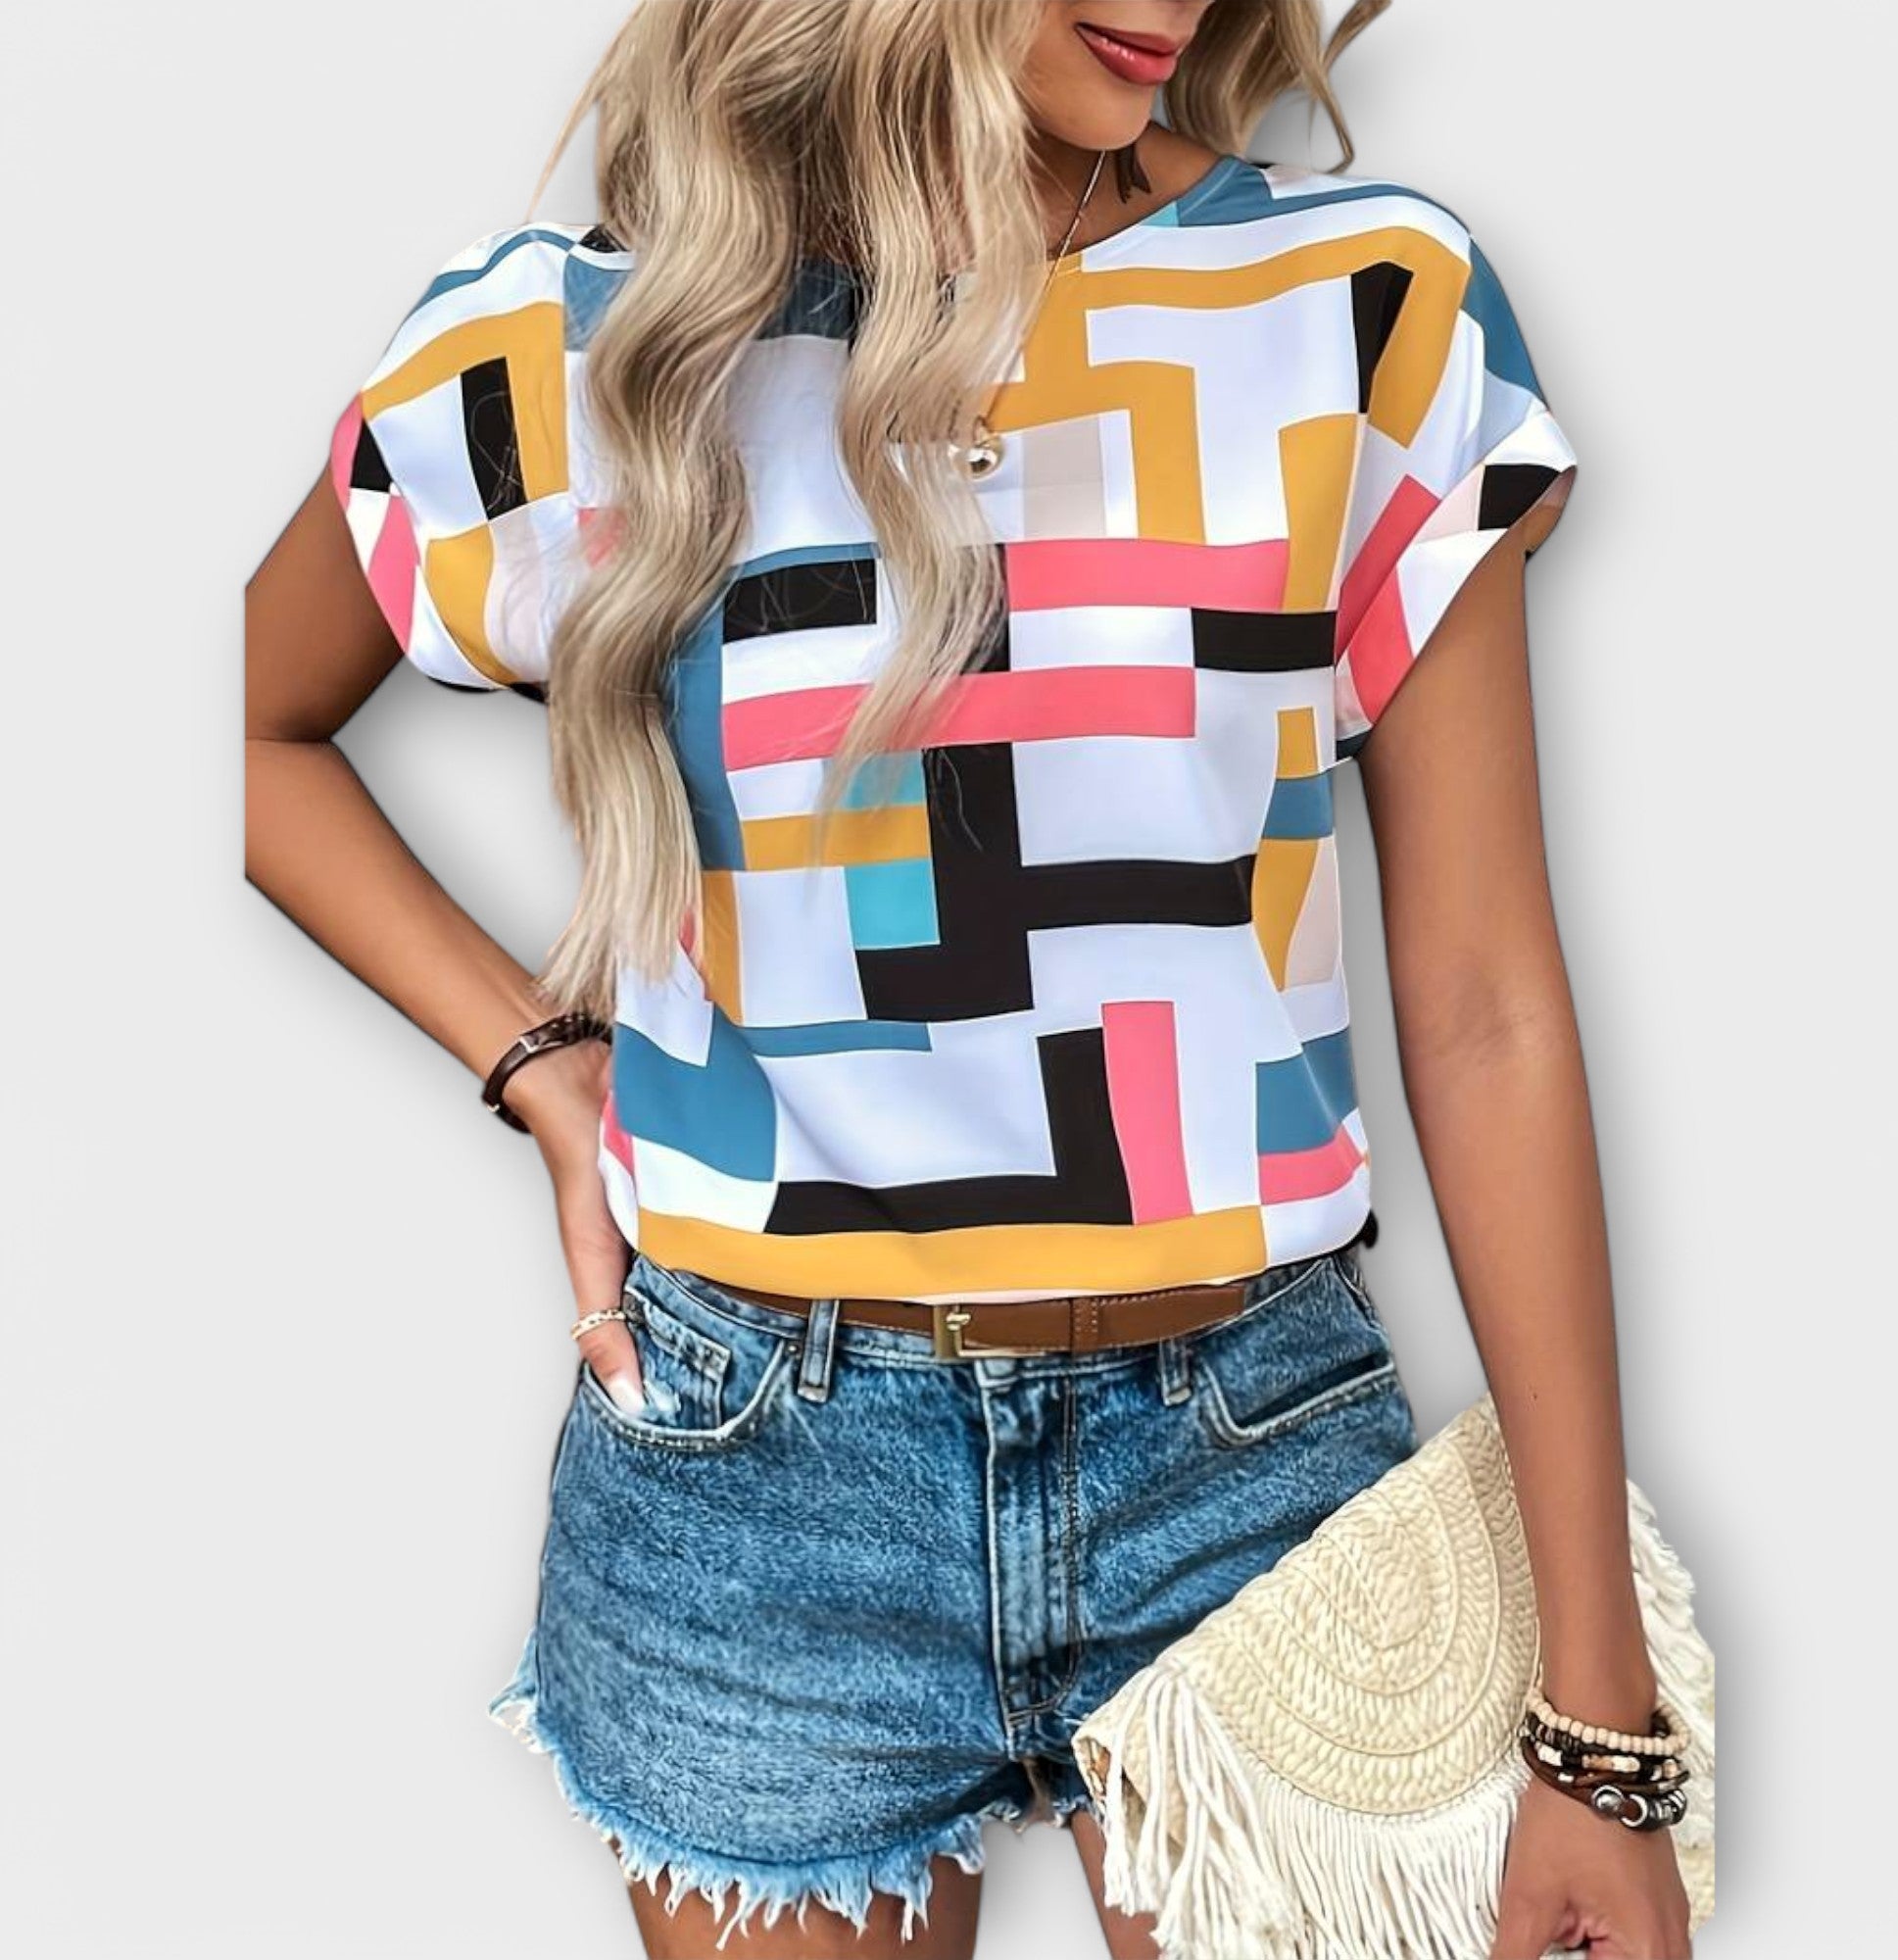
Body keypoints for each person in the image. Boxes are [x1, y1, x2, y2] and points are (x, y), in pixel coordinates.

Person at [245, 3, 1690, 1955]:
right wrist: (540, 1067)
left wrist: (1600, 1720)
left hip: (1249, 1464)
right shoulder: (584, 348)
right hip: (757, 1478)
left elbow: (1487, 1001)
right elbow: (238, 730)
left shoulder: (1357, 311)